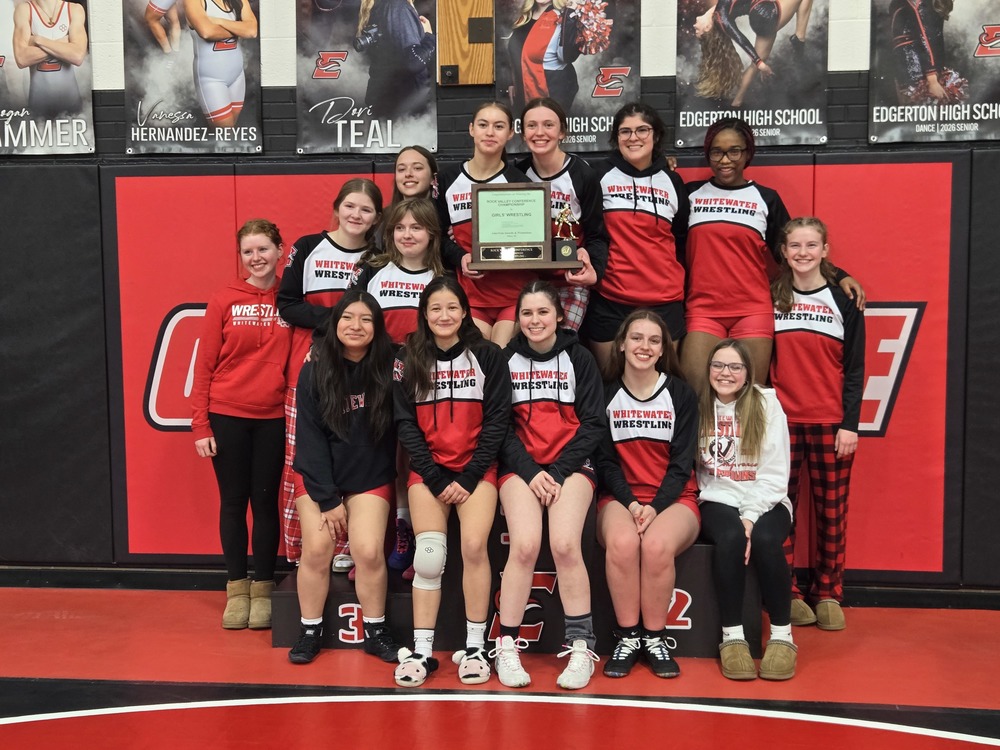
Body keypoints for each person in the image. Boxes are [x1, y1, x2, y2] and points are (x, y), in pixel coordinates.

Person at [681, 117, 863, 394]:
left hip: (752, 310)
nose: (725, 159)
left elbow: (794, 251)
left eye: (734, 151)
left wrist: (840, 275)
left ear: (747, 153)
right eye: (716, 151)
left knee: (749, 401)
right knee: (694, 398)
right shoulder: (690, 194)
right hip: (703, 310)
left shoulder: (766, 198)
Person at [392, 276, 511, 687]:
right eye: (435, 309)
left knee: (475, 547)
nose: (444, 316)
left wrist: (471, 474)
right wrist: (435, 475)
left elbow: (498, 422)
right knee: (428, 555)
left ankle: (476, 647)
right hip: (429, 472)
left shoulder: (488, 355)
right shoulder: (408, 358)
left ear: (464, 312)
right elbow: (405, 424)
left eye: (452, 308)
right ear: (425, 315)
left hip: (476, 471)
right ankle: (422, 652)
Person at [494, 280, 604, 690]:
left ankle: (580, 647)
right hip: (522, 467)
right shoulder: (505, 361)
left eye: (543, 312)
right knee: (524, 546)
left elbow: (593, 424)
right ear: (518, 320)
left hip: (570, 465)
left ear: (559, 315)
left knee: (564, 545)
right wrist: (530, 470)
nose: (535, 320)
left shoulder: (581, 358)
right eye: (526, 313)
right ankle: (507, 645)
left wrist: (557, 472)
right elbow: (499, 428)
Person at [287, 290, 403, 665]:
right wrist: (328, 499)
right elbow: (309, 439)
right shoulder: (314, 369)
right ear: (334, 325)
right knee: (318, 549)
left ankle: (375, 630)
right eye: (348, 318)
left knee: (367, 551)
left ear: (377, 327)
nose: (356, 326)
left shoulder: (393, 365)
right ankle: (309, 630)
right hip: (321, 478)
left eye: (366, 319)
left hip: (369, 477)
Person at [191, 219, 291, 631]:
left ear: (280, 250)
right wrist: (200, 425)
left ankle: (264, 589)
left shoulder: (291, 297)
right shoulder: (224, 299)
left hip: (272, 417)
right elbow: (205, 365)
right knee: (233, 503)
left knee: (265, 505)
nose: (256, 258)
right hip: (226, 414)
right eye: (248, 252)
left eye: (264, 249)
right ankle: (236, 589)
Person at [277, 179, 383, 568]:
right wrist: (336, 320)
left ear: (376, 218)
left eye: (366, 210)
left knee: (353, 451)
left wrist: (346, 327)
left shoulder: (377, 258)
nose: (357, 215)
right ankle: (305, 546)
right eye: (350, 207)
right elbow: (287, 304)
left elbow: (372, 317)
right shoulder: (307, 247)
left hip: (357, 370)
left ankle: (347, 549)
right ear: (337, 208)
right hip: (307, 365)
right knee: (304, 456)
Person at [770, 217, 865, 631]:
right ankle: (787, 591)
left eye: (811, 246)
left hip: (830, 422)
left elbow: (857, 369)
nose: (803, 253)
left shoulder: (844, 300)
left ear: (825, 251)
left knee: (831, 512)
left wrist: (850, 423)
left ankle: (828, 591)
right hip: (781, 424)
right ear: (784, 251)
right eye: (795, 246)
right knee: (780, 510)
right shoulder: (770, 295)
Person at [595, 310, 700, 679]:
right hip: (620, 497)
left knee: (655, 546)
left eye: (654, 340)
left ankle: (655, 637)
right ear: (621, 344)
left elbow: (682, 463)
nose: (645, 346)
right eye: (636, 338)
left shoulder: (680, 394)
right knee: (623, 543)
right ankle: (628, 637)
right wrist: (631, 503)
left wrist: (654, 506)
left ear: (662, 350)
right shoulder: (605, 394)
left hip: (674, 499)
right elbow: (606, 462)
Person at [353, 197, 446, 578]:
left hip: (424, 381)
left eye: (417, 227)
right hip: (378, 377)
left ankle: (409, 533)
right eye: (400, 228)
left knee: (412, 457)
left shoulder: (442, 279)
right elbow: (355, 323)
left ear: (431, 234)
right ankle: (377, 541)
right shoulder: (374, 273)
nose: (408, 235)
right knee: (379, 458)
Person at [696, 339, 796, 681]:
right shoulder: (699, 405)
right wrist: (740, 523)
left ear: (747, 372)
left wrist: (751, 516)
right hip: (719, 499)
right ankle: (733, 637)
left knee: (767, 541)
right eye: (718, 366)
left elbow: (774, 474)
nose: (725, 373)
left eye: (734, 367)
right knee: (730, 538)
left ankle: (783, 636)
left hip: (767, 500)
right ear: (708, 369)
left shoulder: (766, 404)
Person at [584, 102, 688, 376]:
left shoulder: (672, 180)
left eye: (642, 130)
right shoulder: (598, 176)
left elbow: (679, 238)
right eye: (625, 131)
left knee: (663, 387)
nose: (634, 137)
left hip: (665, 299)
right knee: (609, 387)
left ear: (656, 135)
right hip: (611, 298)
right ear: (616, 138)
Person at [437, 100, 533, 347]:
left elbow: (531, 243)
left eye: (499, 126)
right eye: (483, 124)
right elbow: (437, 236)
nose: (490, 132)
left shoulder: (519, 183)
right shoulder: (448, 178)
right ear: (471, 129)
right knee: (478, 363)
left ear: (510, 133)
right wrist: (460, 257)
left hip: (512, 294)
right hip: (470, 295)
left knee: (499, 359)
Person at [515, 96, 607, 333]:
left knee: (556, 341)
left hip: (569, 280)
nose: (539, 132)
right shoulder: (516, 174)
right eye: (531, 126)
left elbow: (597, 234)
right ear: (523, 134)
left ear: (562, 132)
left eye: (548, 125)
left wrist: (594, 271)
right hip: (526, 279)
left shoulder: (582, 175)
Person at [694, 0, 815, 107]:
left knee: (753, 67)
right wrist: (759, 63)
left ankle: (736, 102)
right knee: (757, 64)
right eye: (698, 30)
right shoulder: (720, 16)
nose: (695, 25)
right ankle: (799, 37)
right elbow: (740, 39)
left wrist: (758, 63)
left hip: (762, 19)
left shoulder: (717, 10)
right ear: (707, 27)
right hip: (765, 13)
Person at [356, 0, 435, 120]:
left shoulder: (385, 6)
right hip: (404, 107)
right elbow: (413, 62)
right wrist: (429, 36)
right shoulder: (397, 6)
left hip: (389, 104)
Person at [184, 0, 257, 128]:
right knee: (224, 133)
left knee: (229, 133)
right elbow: (207, 32)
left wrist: (219, 21)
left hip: (237, 76)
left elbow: (252, 31)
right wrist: (239, 28)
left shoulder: (239, 1)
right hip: (211, 79)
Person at [12, 0, 88, 118]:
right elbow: (22, 59)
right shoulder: (25, 10)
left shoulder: (74, 9)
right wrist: (64, 43)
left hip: (71, 102)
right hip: (39, 104)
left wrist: (38, 40)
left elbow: (77, 56)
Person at [505, 0, 581, 114]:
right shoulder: (525, 17)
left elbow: (566, 56)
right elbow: (514, 52)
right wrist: (511, 82)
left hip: (550, 89)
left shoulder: (562, 16)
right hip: (522, 89)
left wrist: (569, 18)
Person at [889, 0, 964, 104]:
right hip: (917, 72)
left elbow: (933, 38)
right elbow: (925, 36)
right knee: (924, 113)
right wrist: (932, 79)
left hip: (911, 69)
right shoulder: (917, 3)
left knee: (920, 115)